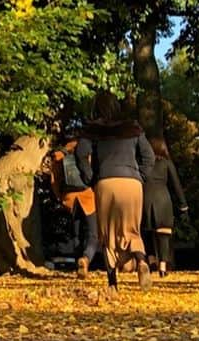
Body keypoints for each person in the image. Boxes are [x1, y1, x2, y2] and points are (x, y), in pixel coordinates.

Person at [76, 91, 156, 290]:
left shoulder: (92, 130)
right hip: (132, 184)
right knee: (132, 230)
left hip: (106, 183)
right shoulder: (133, 128)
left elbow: (80, 154)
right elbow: (149, 157)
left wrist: (90, 178)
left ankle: (113, 284)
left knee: (107, 233)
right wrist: (140, 177)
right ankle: (141, 262)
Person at [48, 138, 99, 276]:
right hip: (88, 196)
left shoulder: (59, 155)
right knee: (93, 233)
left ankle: (78, 264)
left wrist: (60, 197)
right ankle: (86, 258)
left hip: (69, 198)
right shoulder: (86, 152)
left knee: (76, 233)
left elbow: (54, 181)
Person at [143, 138, 189, 277]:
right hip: (162, 200)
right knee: (163, 234)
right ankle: (162, 267)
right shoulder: (166, 164)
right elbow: (176, 185)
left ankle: (151, 262)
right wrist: (183, 206)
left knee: (146, 232)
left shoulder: (144, 164)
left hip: (145, 199)